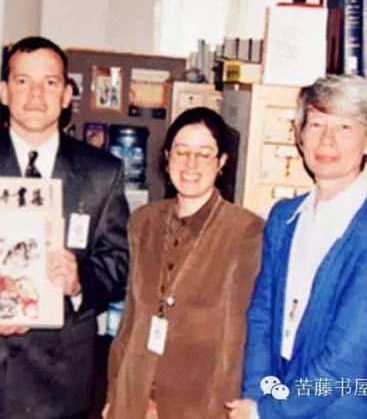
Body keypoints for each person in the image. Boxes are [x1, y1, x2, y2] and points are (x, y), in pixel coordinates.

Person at [0, 36, 129, 419]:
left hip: (61, 376)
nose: (36, 95)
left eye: (50, 82)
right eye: (23, 81)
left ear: (67, 94)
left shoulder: (102, 173)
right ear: (4, 92)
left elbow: (118, 261)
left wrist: (79, 283)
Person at [227, 74, 367, 419]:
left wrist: (269, 411)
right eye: (316, 124)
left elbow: (347, 360)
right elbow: (262, 318)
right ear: (300, 137)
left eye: (344, 127)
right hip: (278, 401)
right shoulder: (284, 217)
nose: (327, 140)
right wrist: (260, 395)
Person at [104, 107, 264, 419]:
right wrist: (114, 394)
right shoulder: (144, 221)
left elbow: (235, 339)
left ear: (222, 162)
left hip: (197, 400)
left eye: (204, 154)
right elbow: (131, 319)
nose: (191, 164)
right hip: (133, 393)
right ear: (167, 157)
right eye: (181, 152)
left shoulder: (246, 231)